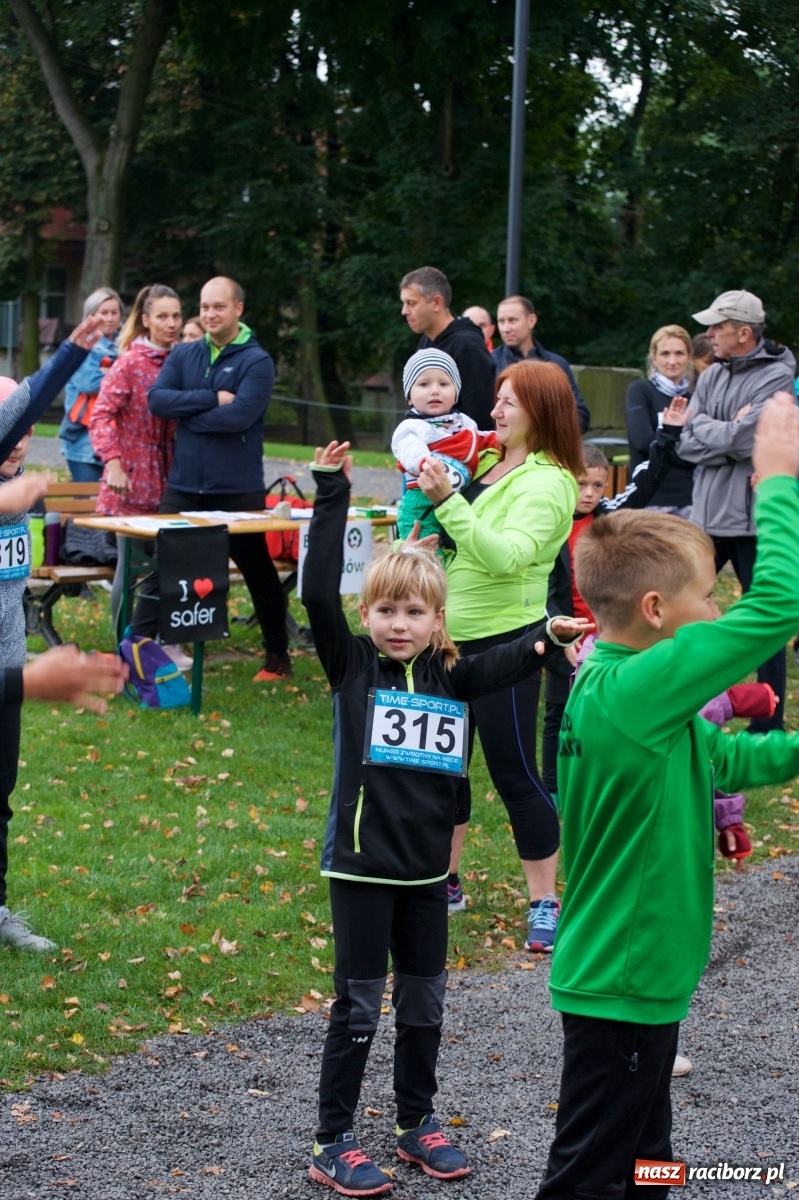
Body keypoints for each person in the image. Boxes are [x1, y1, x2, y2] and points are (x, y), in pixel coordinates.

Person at [302, 438, 591, 1197]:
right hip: (362, 866)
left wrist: (545, 637)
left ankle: (415, 1122)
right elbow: (311, 595)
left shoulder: (451, 674)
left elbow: (504, 664)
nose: (399, 625)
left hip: (428, 870)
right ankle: (333, 1138)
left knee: (424, 1000)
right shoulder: (353, 665)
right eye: (386, 611)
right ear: (365, 614)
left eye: (415, 613)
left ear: (438, 619)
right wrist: (331, 493)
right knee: (360, 1002)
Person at [534, 393, 799, 1199]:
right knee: (589, 1178)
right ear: (655, 612)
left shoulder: (626, 691)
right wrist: (777, 482)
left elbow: (722, 759)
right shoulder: (637, 688)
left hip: (635, 978)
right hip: (624, 978)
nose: (716, 611)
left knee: (649, 1164)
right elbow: (778, 606)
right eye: (704, 597)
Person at [415, 360, 582, 950]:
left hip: (507, 642)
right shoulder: (489, 461)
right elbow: (469, 548)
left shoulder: (552, 481)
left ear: (540, 409)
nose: (495, 412)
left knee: (515, 775)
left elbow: (509, 557)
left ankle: (545, 902)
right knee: (445, 769)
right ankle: (447, 880)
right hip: (449, 639)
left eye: (508, 403)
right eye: (497, 401)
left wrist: (448, 503)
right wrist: (429, 551)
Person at [0, 313, 106, 952]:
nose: (16, 443)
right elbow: (25, 404)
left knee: (0, 795)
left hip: (10, 672)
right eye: (5, 432)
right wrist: (69, 353)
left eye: (22, 434)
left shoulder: (20, 493)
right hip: (17, 675)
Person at [134, 276, 290, 682]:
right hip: (184, 486)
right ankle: (131, 654)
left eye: (218, 307)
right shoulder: (184, 354)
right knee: (161, 568)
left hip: (236, 489)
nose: (209, 314)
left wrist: (186, 416)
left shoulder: (257, 361)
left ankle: (277, 657)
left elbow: (240, 416)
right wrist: (208, 400)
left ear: (238, 309)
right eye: (204, 307)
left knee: (257, 570)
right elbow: (157, 401)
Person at [542, 401, 689, 797]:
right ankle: (554, 788)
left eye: (596, 485)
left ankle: (610, 777)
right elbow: (541, 587)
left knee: (613, 709)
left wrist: (668, 434)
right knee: (560, 712)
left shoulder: (608, 517)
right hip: (564, 635)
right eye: (581, 484)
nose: (589, 494)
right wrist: (560, 633)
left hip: (609, 638)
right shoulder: (547, 524)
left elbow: (646, 482)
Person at [679, 289, 796, 733]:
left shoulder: (777, 376)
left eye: (717, 326)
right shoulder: (710, 374)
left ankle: (769, 721)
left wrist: (722, 436)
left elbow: (747, 440)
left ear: (744, 333)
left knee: (763, 623)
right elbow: (689, 440)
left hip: (748, 519)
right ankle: (687, 705)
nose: (709, 334)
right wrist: (726, 435)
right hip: (706, 516)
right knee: (680, 608)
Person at [89, 284, 182, 632]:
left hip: (173, 479)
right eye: (162, 316)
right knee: (130, 570)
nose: (170, 323)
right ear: (145, 320)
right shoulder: (130, 363)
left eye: (176, 315)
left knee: (166, 568)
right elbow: (100, 416)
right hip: (130, 480)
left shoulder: (183, 359)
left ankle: (156, 641)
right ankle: (121, 648)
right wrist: (112, 461)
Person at [391, 349, 496, 543]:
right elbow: (409, 449)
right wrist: (424, 461)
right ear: (409, 396)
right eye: (424, 384)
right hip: (422, 505)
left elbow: (480, 437)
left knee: (453, 554)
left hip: (457, 501)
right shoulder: (411, 426)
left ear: (456, 393)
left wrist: (498, 440)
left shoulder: (463, 422)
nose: (435, 390)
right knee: (425, 558)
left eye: (444, 383)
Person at [399, 267, 496, 427]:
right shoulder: (426, 341)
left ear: (436, 303)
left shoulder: (467, 345)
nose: (404, 311)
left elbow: (483, 415)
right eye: (404, 303)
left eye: (411, 303)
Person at [624, 324, 696, 517]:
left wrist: (664, 446)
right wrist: (691, 452)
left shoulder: (695, 399)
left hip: (690, 500)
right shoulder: (640, 391)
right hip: (649, 498)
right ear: (653, 357)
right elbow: (642, 442)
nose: (672, 361)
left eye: (679, 353)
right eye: (665, 354)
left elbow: (707, 446)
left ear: (689, 356)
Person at [492, 296, 590, 432]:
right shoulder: (490, 363)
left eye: (512, 320)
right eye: (501, 321)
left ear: (531, 320)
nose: (506, 328)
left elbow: (581, 417)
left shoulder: (557, 364)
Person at [58, 287, 123, 482]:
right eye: (103, 313)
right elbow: (91, 384)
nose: (110, 318)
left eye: (114, 312)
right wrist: (121, 373)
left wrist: (108, 371)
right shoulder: (81, 345)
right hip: (83, 443)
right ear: (91, 316)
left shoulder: (126, 345)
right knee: (87, 505)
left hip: (116, 442)